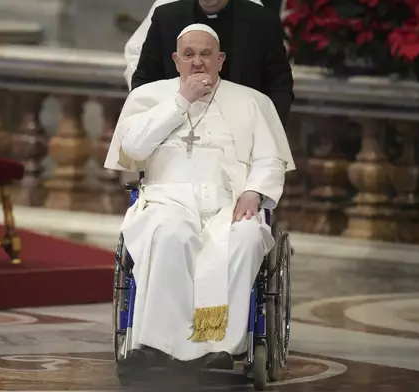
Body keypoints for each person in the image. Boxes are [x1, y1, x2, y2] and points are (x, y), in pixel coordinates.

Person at [104, 24, 294, 369]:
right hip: (166, 201)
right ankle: (156, 345)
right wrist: (181, 101)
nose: (197, 62)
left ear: (220, 59)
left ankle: (217, 349)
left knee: (247, 238)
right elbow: (132, 147)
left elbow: (271, 158)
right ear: (175, 60)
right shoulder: (147, 98)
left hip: (229, 206)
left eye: (205, 54)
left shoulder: (253, 102)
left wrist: (254, 192)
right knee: (170, 234)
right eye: (188, 54)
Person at [127, 0, 293, 126]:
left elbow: (279, 86)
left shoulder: (262, 21)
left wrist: (264, 132)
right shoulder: (166, 18)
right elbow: (144, 81)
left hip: (241, 135)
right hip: (175, 133)